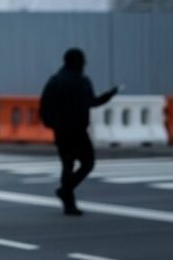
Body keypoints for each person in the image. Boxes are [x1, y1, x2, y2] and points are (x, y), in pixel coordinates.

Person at [40, 48, 118, 216]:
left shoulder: (55, 81)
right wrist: (109, 95)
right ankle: (66, 191)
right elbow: (92, 102)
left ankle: (68, 201)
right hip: (78, 130)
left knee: (67, 165)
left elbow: (44, 106)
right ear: (78, 63)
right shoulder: (83, 81)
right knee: (87, 162)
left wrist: (51, 124)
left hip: (61, 131)